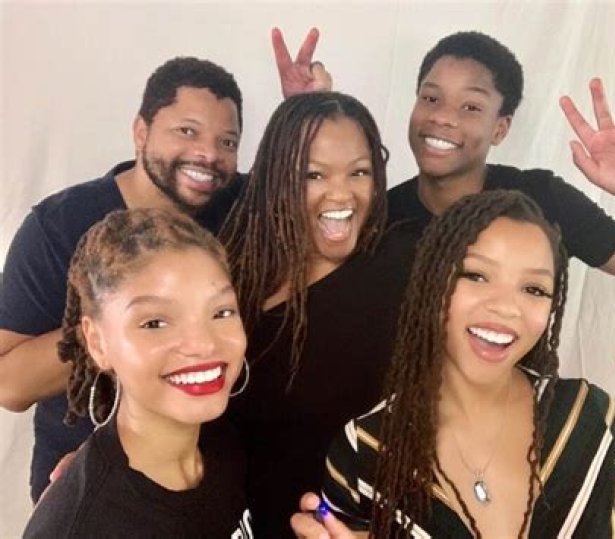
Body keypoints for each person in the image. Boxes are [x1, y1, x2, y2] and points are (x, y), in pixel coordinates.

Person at [0, 28, 329, 502]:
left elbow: (319, 198)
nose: (208, 154)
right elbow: (9, 386)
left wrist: (305, 116)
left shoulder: (240, 204)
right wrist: (123, 324)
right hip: (91, 482)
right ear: (141, 131)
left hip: (209, 475)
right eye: (187, 131)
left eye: (227, 141)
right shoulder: (60, 226)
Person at [292, 190, 615, 538]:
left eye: (533, 289)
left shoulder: (591, 417)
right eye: (476, 276)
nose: (505, 307)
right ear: (431, 282)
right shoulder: (366, 448)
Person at [220, 90, 420, 537]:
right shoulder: (234, 273)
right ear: (277, 179)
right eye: (313, 174)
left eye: (359, 172)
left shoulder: (406, 264)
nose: (341, 193)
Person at [388, 31, 615, 296]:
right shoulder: (381, 217)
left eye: (471, 107)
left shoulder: (540, 200)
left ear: (500, 129)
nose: (442, 116)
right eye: (431, 98)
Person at [22, 208, 251, 537]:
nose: (203, 344)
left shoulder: (224, 446)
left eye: (222, 312)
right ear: (98, 342)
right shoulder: (84, 526)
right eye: (155, 323)